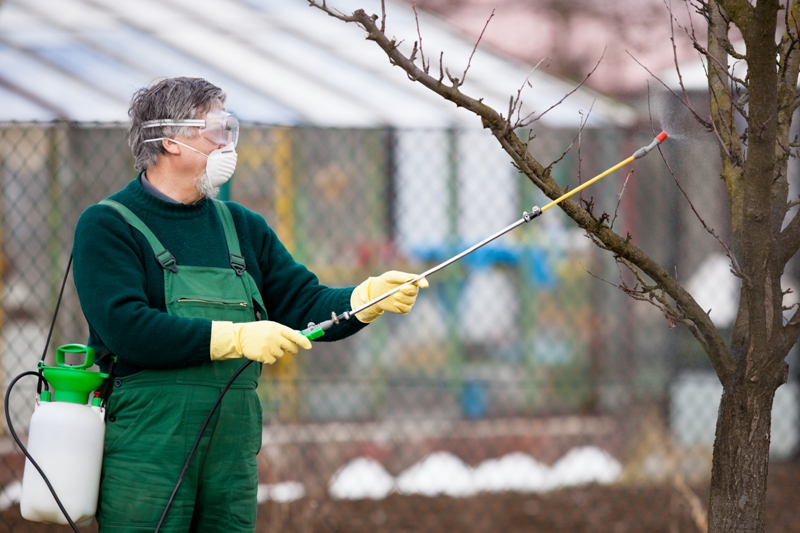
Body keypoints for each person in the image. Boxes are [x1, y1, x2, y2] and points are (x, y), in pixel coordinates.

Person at [72, 77, 427, 533]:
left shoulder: (241, 225)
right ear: (169, 141)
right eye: (216, 130)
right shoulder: (108, 225)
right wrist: (235, 336)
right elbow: (127, 327)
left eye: (229, 129)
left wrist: (363, 299)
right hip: (148, 448)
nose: (228, 143)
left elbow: (303, 302)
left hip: (231, 451)